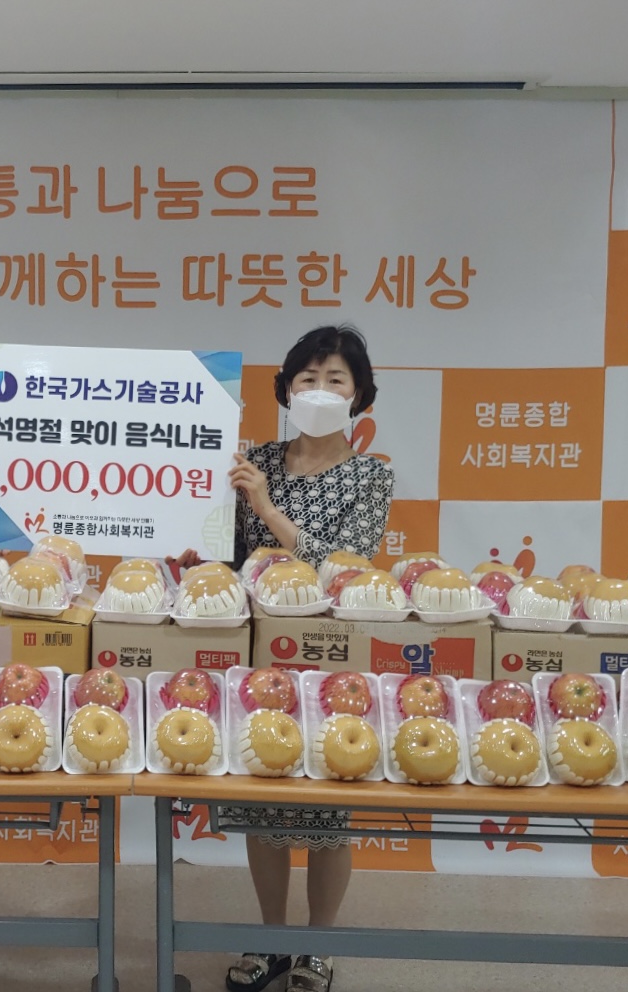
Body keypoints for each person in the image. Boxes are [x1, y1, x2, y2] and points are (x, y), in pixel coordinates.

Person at [174, 325, 394, 992]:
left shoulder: (370, 475)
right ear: (286, 390)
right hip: (259, 661)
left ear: (359, 395)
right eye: (307, 379)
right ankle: (271, 940)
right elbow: (231, 557)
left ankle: (316, 947)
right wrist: (199, 552)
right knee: (262, 805)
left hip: (329, 660)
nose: (320, 391)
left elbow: (348, 566)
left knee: (329, 811)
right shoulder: (254, 460)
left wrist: (266, 508)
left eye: (335, 379)